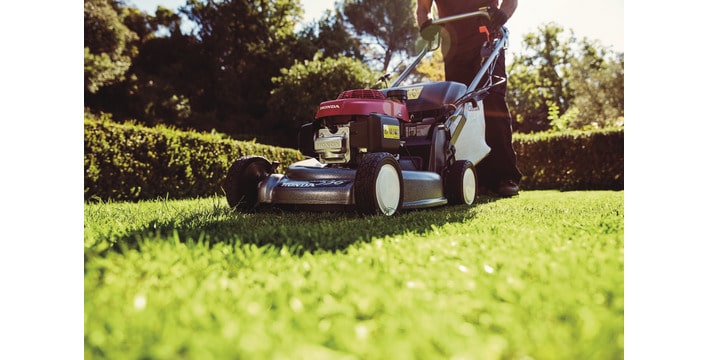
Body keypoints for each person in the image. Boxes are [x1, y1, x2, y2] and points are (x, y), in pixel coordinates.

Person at [416, 0, 522, 197]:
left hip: (488, 38)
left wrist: (503, 14)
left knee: (492, 103)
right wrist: (426, 25)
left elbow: (511, 2)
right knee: (459, 109)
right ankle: (473, 176)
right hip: (454, 46)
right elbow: (423, 9)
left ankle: (505, 176)